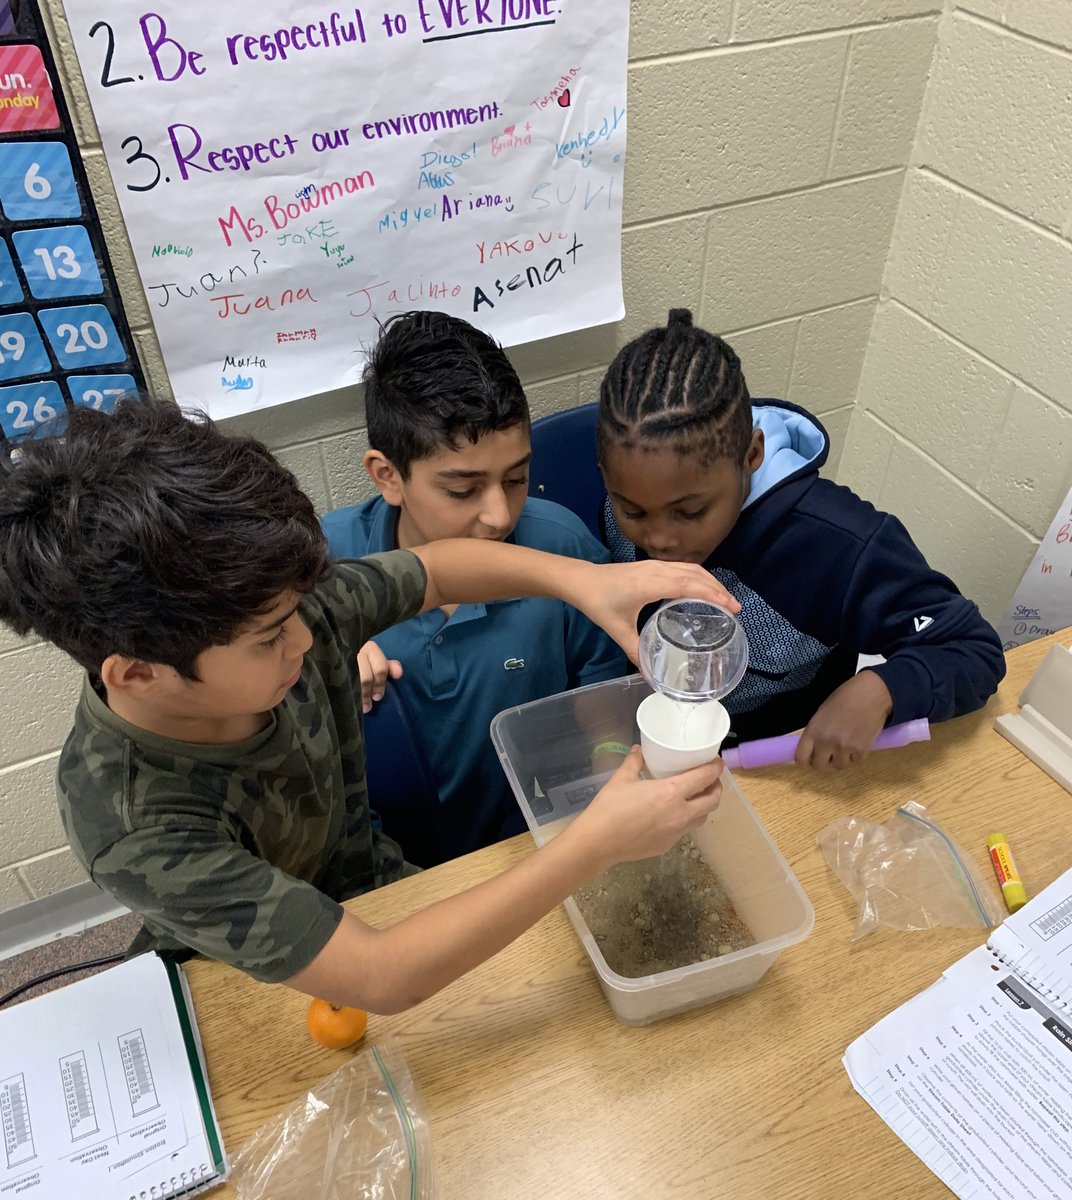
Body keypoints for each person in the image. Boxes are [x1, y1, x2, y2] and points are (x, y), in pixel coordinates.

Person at [0, 395, 735, 1014]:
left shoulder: (278, 612)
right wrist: (594, 842)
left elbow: (435, 572)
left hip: (376, 892)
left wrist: (586, 583)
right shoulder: (133, 821)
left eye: (298, 610)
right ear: (138, 674)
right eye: (269, 637)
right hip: (249, 980)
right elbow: (378, 975)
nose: (307, 636)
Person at [596, 308, 1006, 770]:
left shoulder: (841, 545)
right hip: (651, 735)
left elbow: (974, 649)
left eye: (690, 512)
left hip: (780, 759)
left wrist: (882, 689)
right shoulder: (633, 488)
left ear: (751, 455)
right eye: (633, 511)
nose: (659, 539)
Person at [322, 310, 627, 861]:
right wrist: (322, 658)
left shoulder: (562, 548)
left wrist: (610, 776)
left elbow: (602, 693)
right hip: (386, 864)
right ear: (388, 476)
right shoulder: (323, 566)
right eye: (462, 490)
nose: (499, 515)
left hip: (531, 838)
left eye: (516, 478)